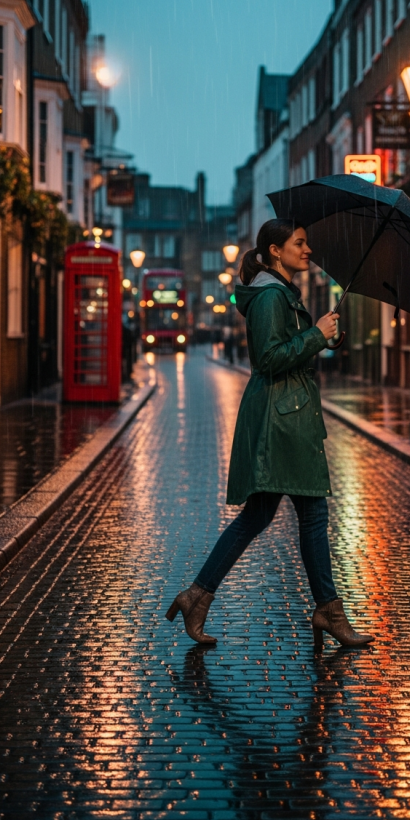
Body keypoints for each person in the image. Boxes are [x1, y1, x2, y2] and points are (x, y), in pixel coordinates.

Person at [166, 219, 374, 650]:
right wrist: (316, 334)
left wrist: (323, 336)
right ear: (276, 251)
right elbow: (267, 358)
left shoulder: (280, 294)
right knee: (310, 515)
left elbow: (288, 348)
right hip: (281, 421)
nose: (308, 249)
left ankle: (197, 596)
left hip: (287, 415)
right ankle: (327, 610)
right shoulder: (269, 296)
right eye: (300, 243)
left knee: (259, 517)